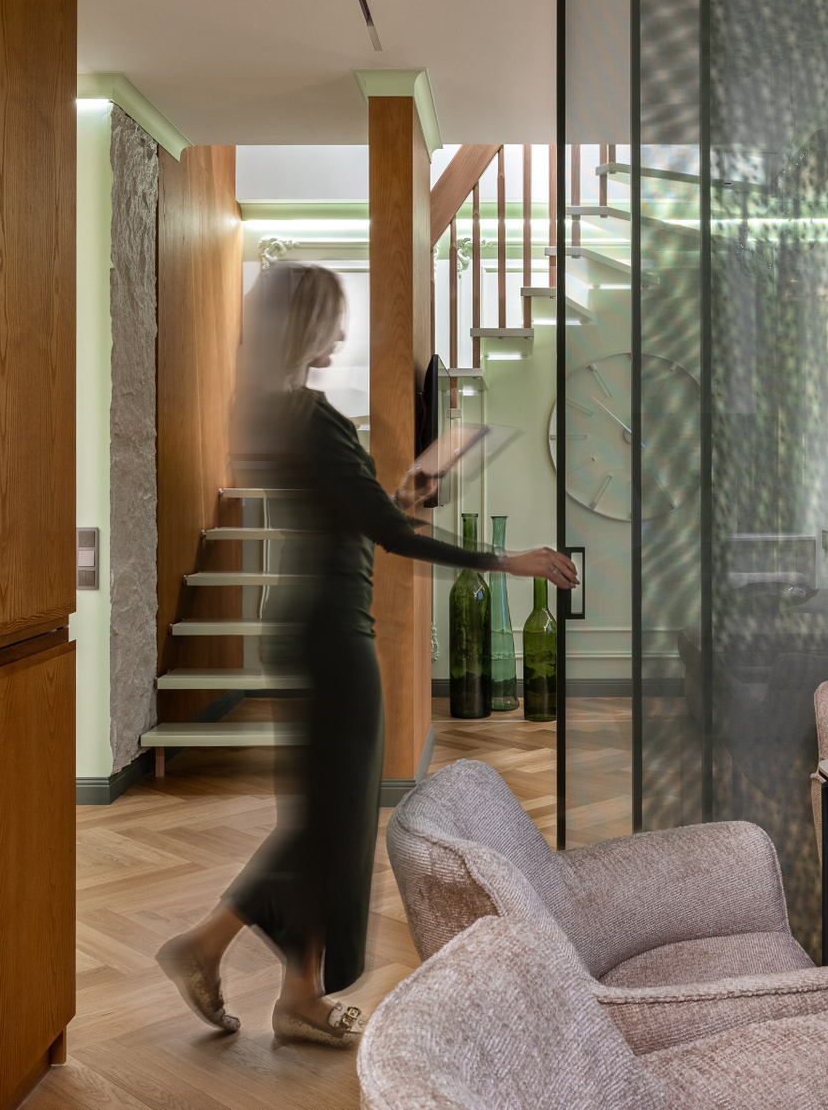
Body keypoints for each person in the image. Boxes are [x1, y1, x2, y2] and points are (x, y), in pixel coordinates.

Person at [155, 261, 576, 1047]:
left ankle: (293, 991)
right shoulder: (314, 418)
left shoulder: (274, 413)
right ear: (305, 326)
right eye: (333, 318)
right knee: (332, 820)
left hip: (312, 629)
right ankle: (213, 948)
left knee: (328, 817)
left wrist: (405, 494)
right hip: (333, 639)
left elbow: (359, 515)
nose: (343, 332)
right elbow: (386, 534)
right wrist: (507, 560)